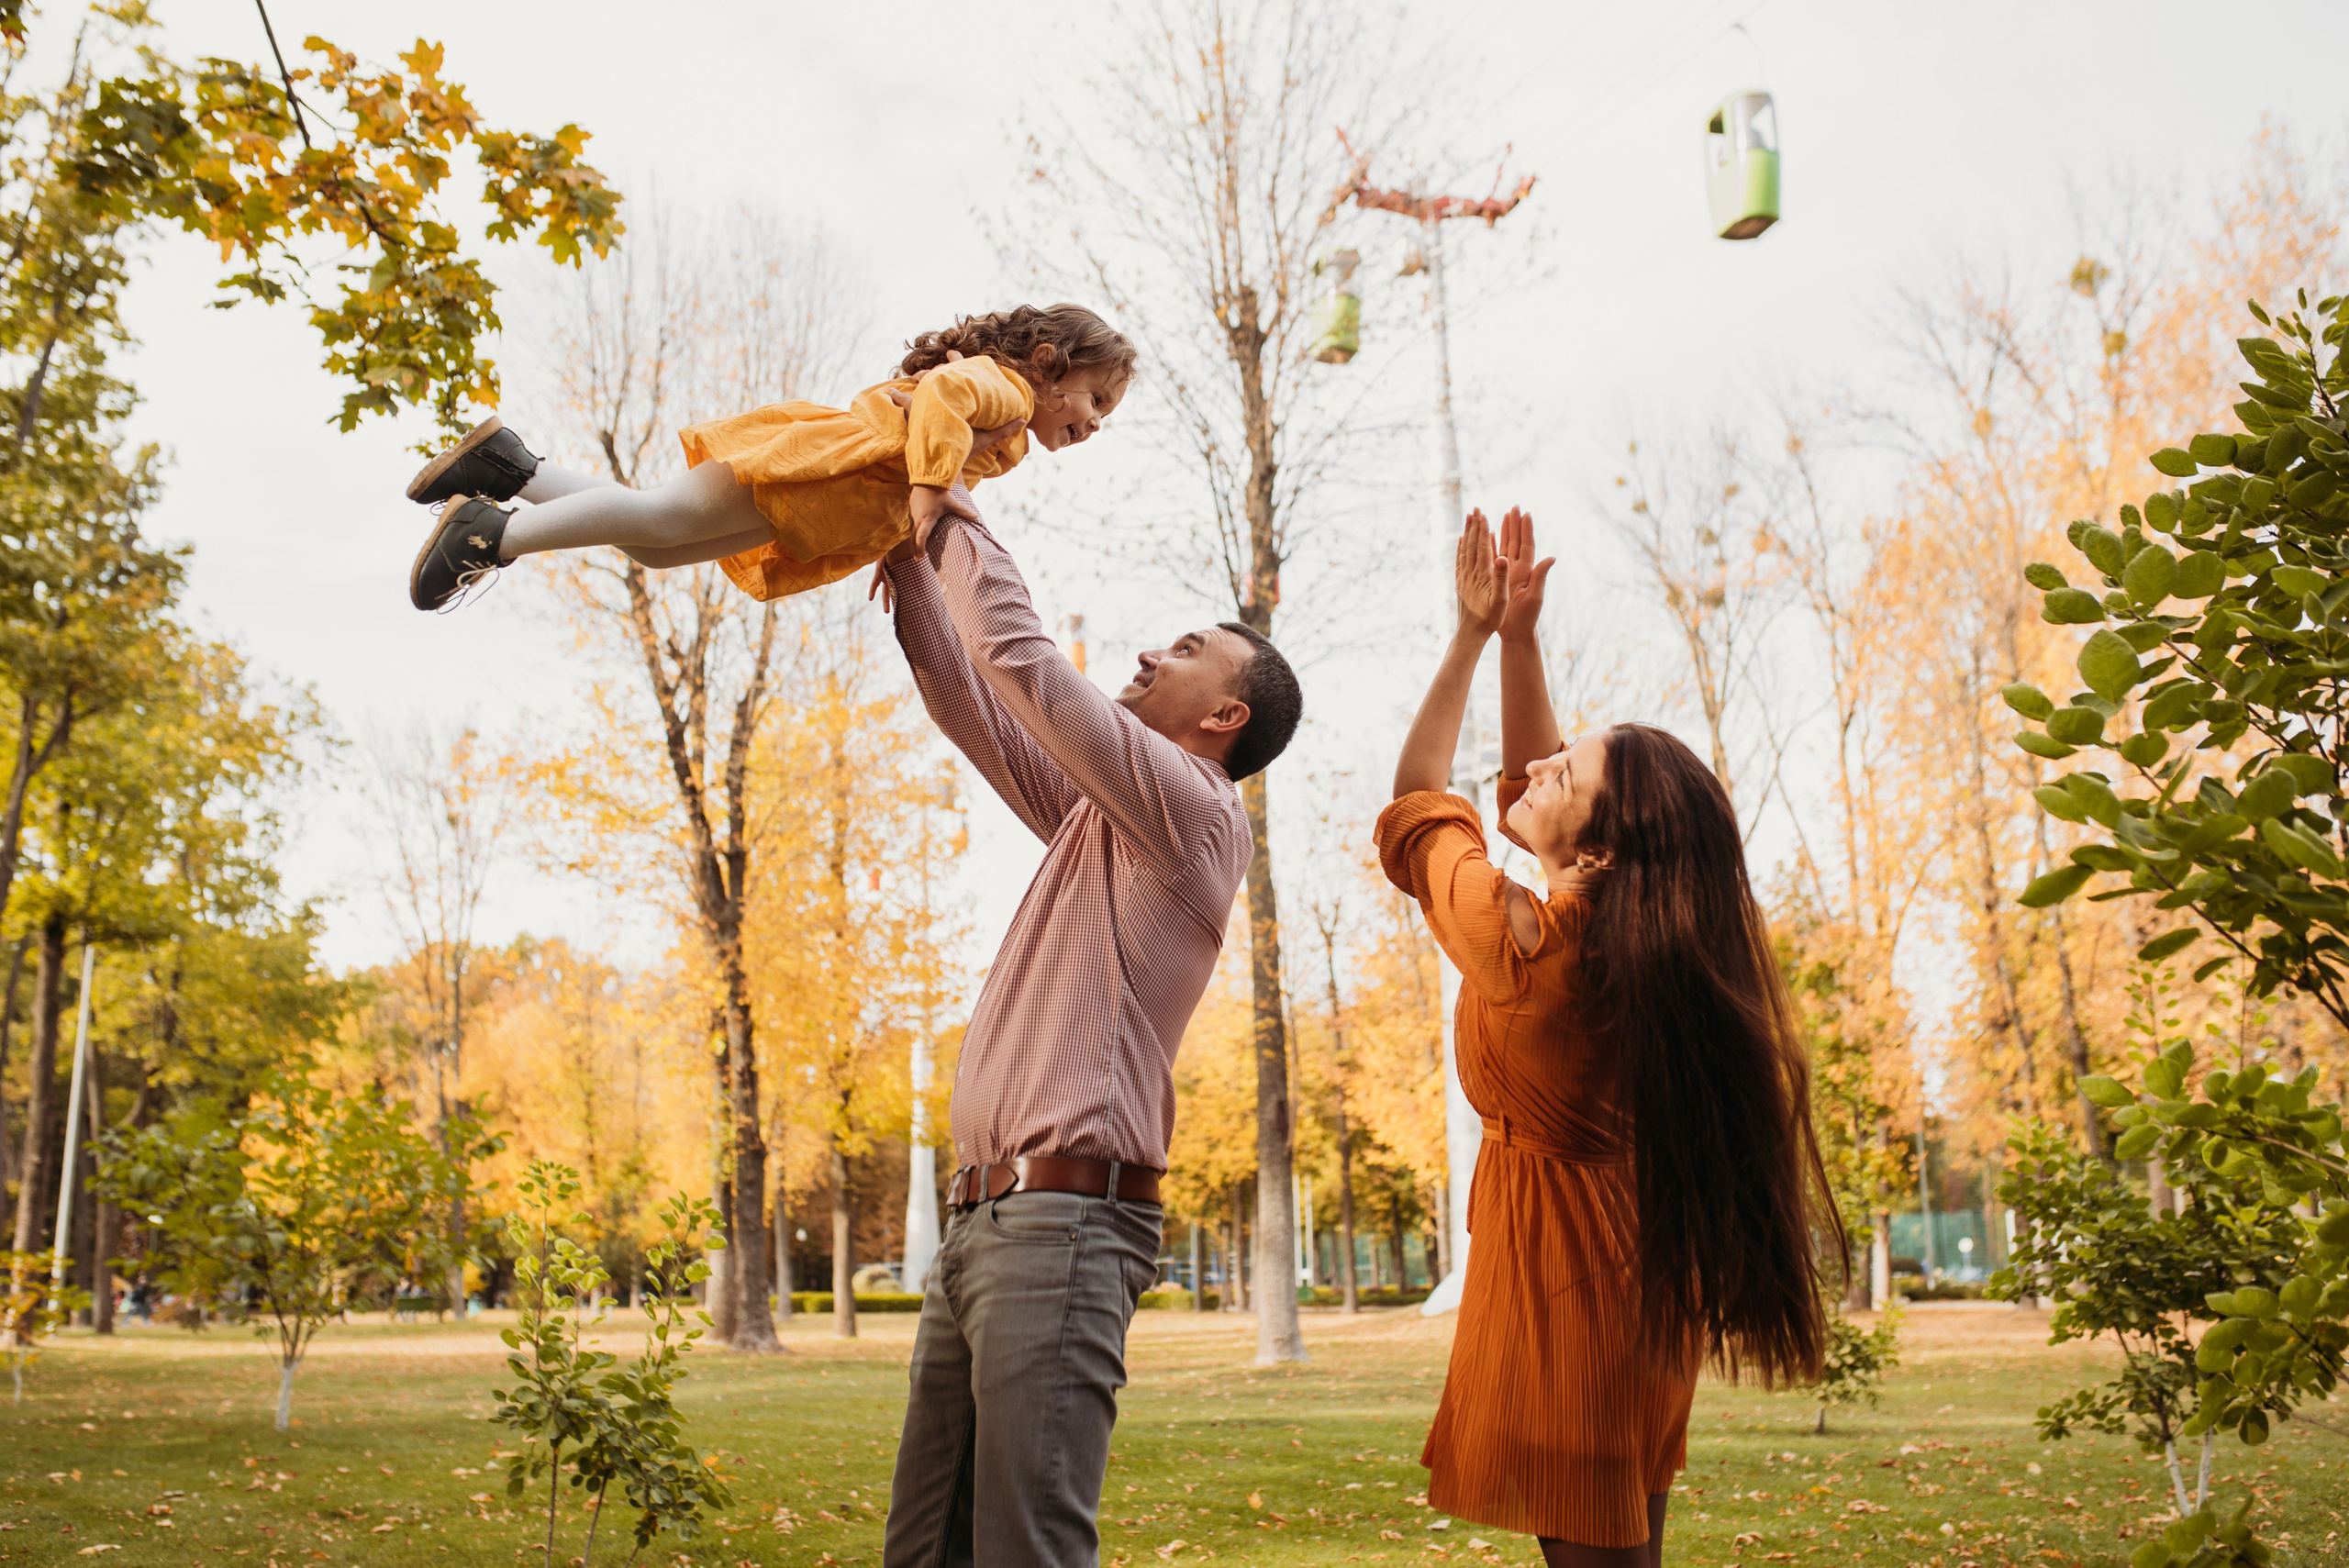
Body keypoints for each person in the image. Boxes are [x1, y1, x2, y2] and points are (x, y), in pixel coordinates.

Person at [1380, 507, 1833, 1568]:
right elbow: (1534, 783)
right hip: (1633, 1262)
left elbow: (1416, 802)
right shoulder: (1637, 939)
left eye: (1562, 777)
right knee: (1626, 1547)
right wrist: (1522, 638)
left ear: (1604, 843)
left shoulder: (1527, 941)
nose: (1534, 770)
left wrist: (1468, 636)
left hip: (1564, 1287)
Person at [875, 478, 1301, 1568]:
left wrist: (946, 499)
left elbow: (1022, 660)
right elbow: (971, 694)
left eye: (1187, 648)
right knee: (925, 1548)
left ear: (1224, 715)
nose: (1153, 653)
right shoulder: (1094, 816)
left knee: (1027, 1548)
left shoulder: (1196, 812)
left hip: (1062, 1226)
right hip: (983, 1223)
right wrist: (908, 553)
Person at [398, 303, 1134, 610]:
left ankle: (509, 468)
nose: (1096, 423)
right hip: (812, 474)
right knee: (656, 515)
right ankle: (489, 535)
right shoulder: (1004, 390)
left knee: (654, 548)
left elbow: (927, 465)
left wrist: (903, 544)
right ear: (1048, 366)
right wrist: (931, 494)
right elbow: (941, 401)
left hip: (825, 502)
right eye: (1096, 400)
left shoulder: (1006, 429)